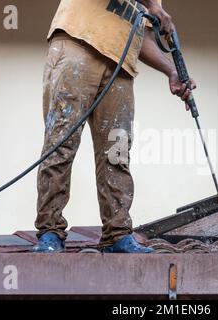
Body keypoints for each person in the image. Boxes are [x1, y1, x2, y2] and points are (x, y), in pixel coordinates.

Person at [33, 0, 196, 253]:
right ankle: (50, 231)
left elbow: (140, 39)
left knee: (117, 152)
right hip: (78, 43)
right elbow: (151, 8)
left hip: (120, 66)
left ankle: (117, 234)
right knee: (62, 143)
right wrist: (153, 6)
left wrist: (171, 70)